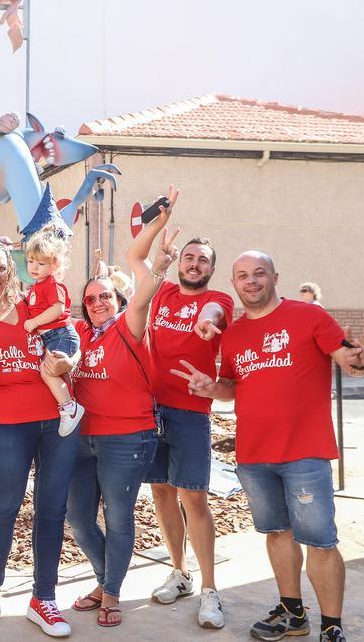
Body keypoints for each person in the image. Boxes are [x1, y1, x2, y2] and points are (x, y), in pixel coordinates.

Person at [173, 251, 364, 642]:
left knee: (320, 542)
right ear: (233, 284)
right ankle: (291, 612)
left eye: (259, 273)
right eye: (243, 275)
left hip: (305, 453)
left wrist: (360, 360)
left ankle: (331, 627)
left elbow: (348, 360)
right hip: (254, 455)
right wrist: (212, 388)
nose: (251, 281)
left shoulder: (308, 316)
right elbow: (232, 387)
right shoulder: (232, 335)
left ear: (275, 277)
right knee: (277, 533)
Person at [0, 238, 78, 638]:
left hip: (56, 422)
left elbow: (66, 340)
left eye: (3, 267)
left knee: (52, 509)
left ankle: (45, 599)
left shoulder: (33, 306)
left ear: (13, 271)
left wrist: (68, 359)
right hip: (4, 423)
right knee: (5, 506)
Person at [66, 189, 178, 628]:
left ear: (118, 300)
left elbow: (144, 285)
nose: (97, 303)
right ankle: (104, 577)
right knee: (77, 518)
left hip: (127, 438)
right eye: (91, 298)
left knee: (118, 515)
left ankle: (111, 592)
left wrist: (154, 238)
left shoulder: (130, 326)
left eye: (105, 297)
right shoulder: (79, 332)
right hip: (81, 439)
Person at [143, 235, 235, 629]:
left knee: (193, 498)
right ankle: (180, 573)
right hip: (151, 409)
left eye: (202, 260)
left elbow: (215, 311)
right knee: (161, 492)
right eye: (189, 257)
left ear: (211, 269)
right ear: (180, 262)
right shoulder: (162, 293)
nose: (194, 264)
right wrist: (157, 255)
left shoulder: (219, 301)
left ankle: (210, 589)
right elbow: (138, 273)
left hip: (190, 412)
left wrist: (207, 321)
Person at [22, 227, 84, 435]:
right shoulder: (37, 287)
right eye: (31, 261)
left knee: (47, 371)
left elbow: (57, 308)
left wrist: (34, 322)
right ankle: (66, 405)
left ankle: (69, 407)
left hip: (61, 334)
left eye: (40, 263)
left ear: (54, 264)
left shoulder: (52, 284)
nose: (34, 267)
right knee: (51, 372)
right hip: (51, 337)